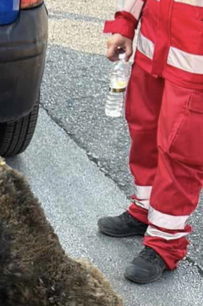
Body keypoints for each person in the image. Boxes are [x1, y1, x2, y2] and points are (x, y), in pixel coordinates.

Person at [98, 0, 203, 284]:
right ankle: (145, 210)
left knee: (181, 149)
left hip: (195, 60)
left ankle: (165, 243)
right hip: (152, 46)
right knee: (144, 132)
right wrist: (125, 24)